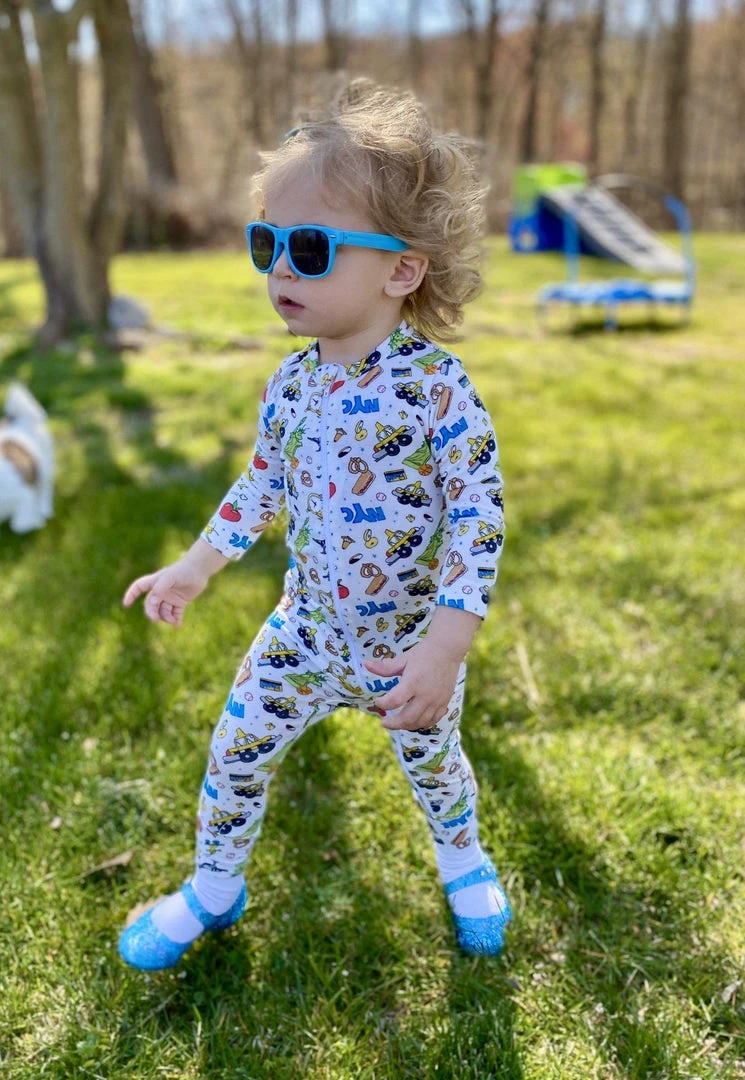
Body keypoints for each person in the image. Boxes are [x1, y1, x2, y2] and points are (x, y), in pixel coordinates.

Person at [118, 79, 511, 970]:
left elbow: (478, 517)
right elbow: (261, 483)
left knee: (435, 769)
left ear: (400, 270)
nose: (281, 271)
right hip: (304, 632)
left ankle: (463, 862)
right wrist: (195, 566)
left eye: (309, 248)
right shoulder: (292, 383)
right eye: (268, 244)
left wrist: (444, 648)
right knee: (234, 750)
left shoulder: (436, 389)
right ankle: (214, 885)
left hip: (405, 646)